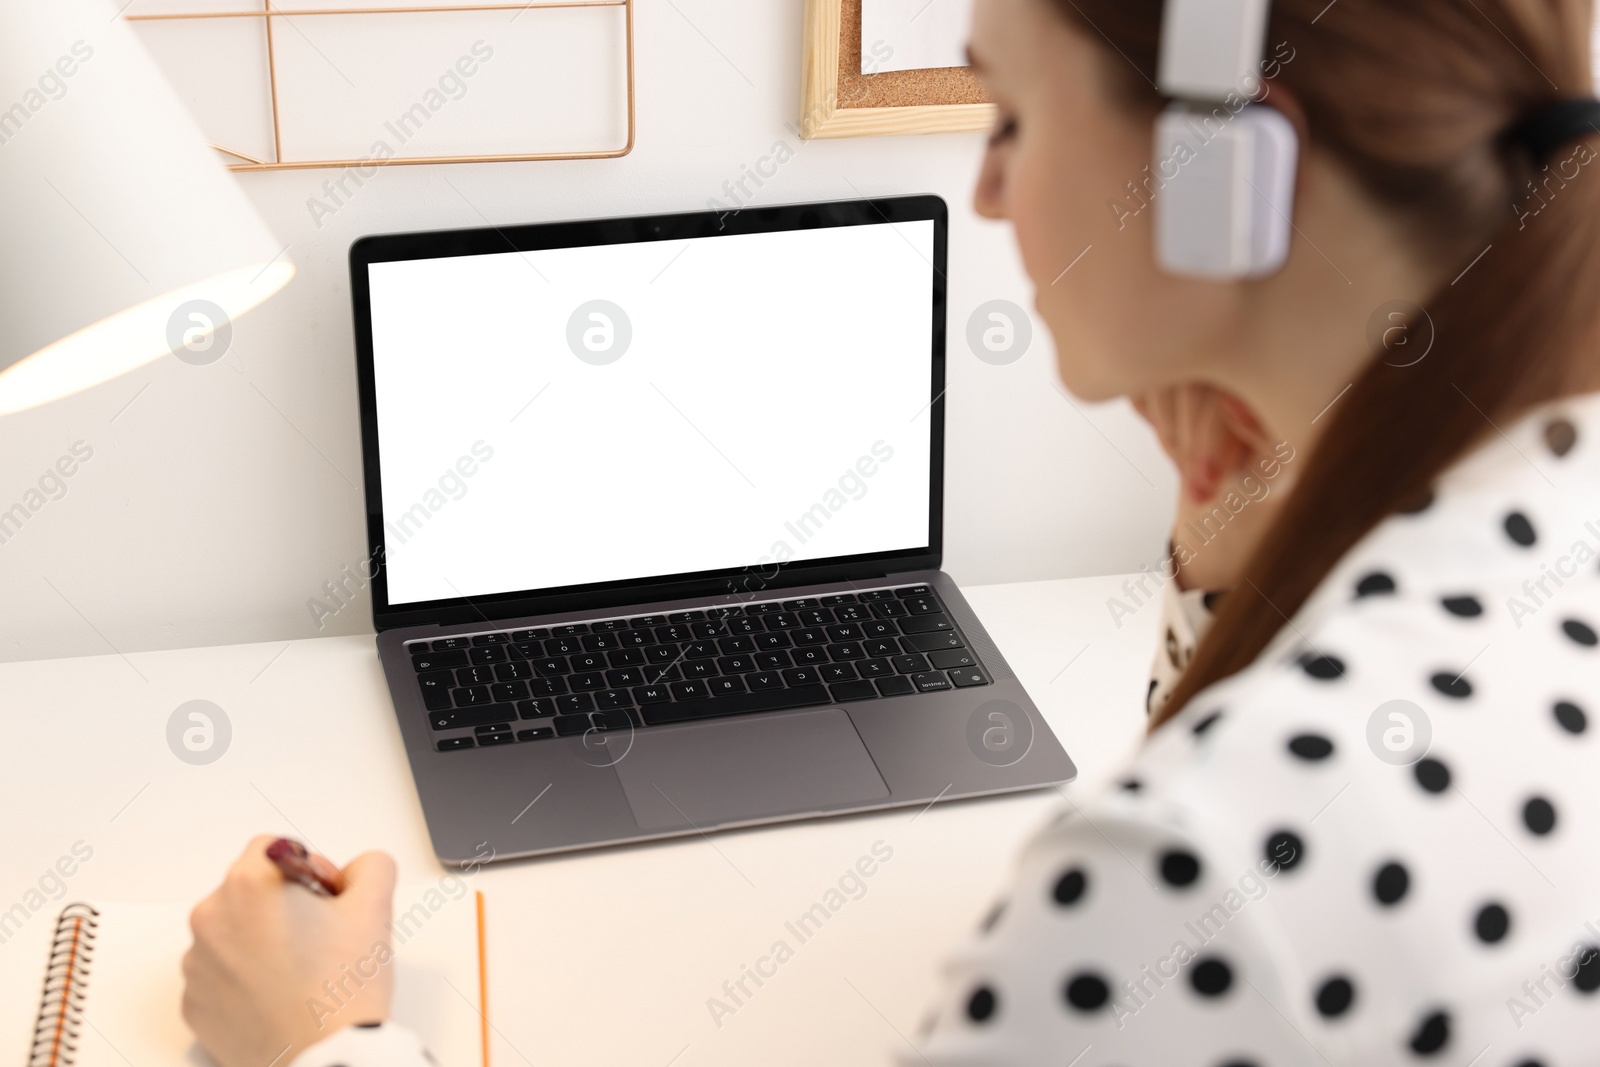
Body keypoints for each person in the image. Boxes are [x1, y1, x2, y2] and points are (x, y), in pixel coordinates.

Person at [182, 0, 1600, 1062]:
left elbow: (1230, 860)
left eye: (1016, 121)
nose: (984, 190)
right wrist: (1236, 551)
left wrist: (320, 1042)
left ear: (1223, 184)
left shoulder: (1193, 867)